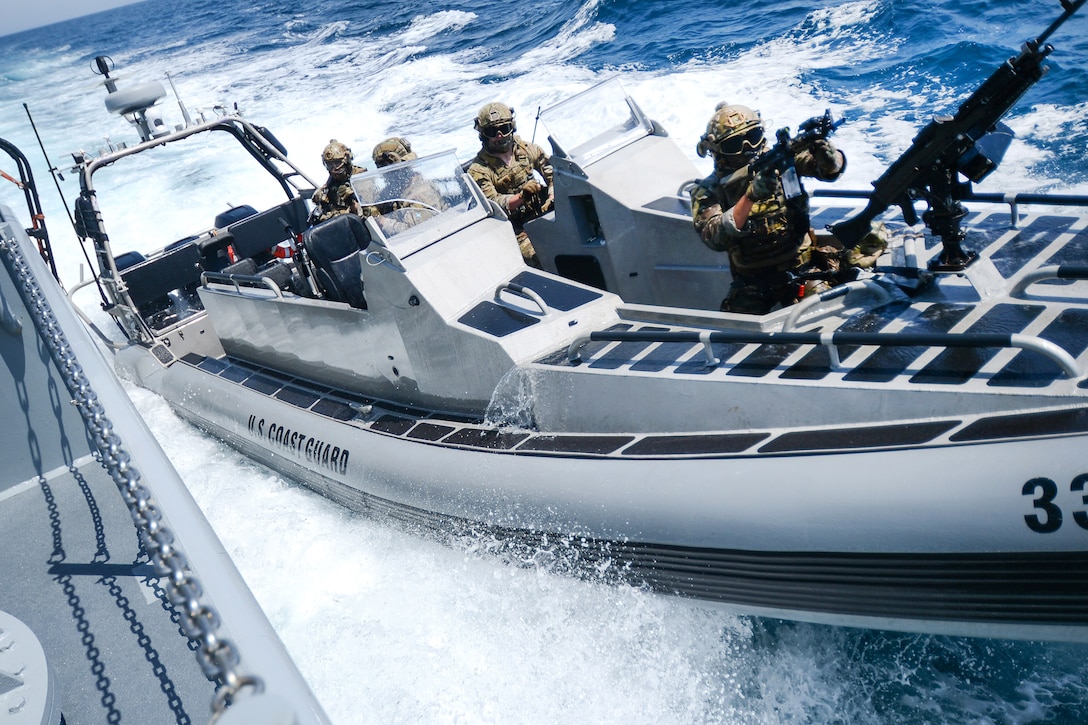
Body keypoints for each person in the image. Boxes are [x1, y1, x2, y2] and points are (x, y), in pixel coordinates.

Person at [689, 102, 850, 314]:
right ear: (718, 150)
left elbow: (828, 170)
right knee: (735, 335)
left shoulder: (782, 160)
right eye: (735, 144)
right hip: (754, 280)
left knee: (828, 314)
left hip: (803, 265)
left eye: (753, 137)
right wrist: (751, 196)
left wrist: (827, 155)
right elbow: (715, 237)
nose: (748, 147)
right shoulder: (709, 190)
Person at [466, 102, 553, 267]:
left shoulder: (527, 150)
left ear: (512, 127)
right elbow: (493, 203)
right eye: (492, 132)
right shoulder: (479, 170)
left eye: (504, 129)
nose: (499, 136)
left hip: (543, 215)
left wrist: (552, 194)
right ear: (483, 135)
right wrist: (522, 196)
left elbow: (553, 173)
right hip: (516, 231)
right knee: (540, 255)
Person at [308, 139, 367, 226]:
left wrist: (352, 199)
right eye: (330, 165)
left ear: (346, 160)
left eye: (337, 163)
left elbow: (370, 211)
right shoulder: (332, 182)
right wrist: (320, 198)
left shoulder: (361, 177)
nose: (334, 168)